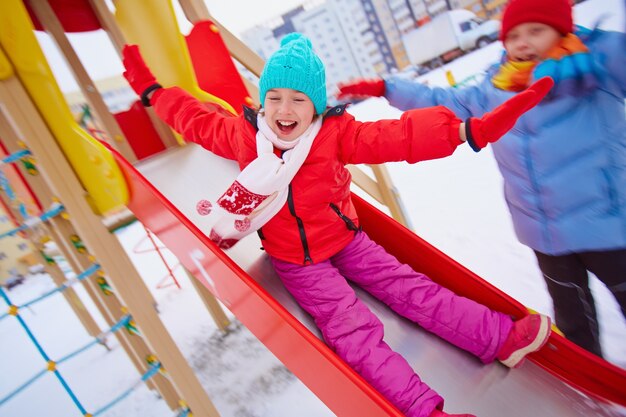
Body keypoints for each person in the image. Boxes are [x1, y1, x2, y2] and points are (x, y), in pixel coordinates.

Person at [122, 33, 553, 417]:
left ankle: (499, 338)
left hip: (347, 240)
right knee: (352, 329)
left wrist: (464, 131)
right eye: (275, 97)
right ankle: (421, 409)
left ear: (316, 105)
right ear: (262, 99)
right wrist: (153, 91)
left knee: (412, 288)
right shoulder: (243, 135)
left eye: (298, 99)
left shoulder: (334, 133)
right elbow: (194, 118)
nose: (284, 110)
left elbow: (397, 136)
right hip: (297, 261)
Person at [337, 0, 626, 359]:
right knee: (574, 321)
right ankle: (596, 383)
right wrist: (385, 87)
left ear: (562, 30)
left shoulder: (595, 67)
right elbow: (440, 100)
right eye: (514, 35)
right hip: (545, 235)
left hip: (608, 226)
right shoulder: (497, 85)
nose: (523, 43)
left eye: (536, 31)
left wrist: (598, 45)